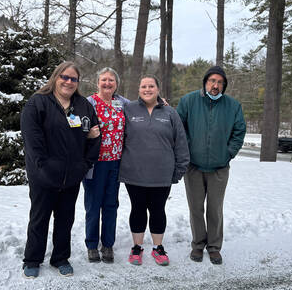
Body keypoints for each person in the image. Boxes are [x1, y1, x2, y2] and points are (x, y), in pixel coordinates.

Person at [20, 61, 101, 278]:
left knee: (66, 219)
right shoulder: (38, 103)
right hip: (43, 176)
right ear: (56, 77)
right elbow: (32, 140)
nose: (68, 82)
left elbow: (95, 137)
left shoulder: (84, 106)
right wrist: (42, 168)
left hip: (72, 176)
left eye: (73, 79)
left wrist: (84, 165)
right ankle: (32, 259)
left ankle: (61, 258)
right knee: (39, 218)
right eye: (64, 77)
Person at [176, 66, 246, 265]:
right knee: (196, 208)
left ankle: (214, 247)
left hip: (219, 168)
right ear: (205, 82)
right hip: (194, 167)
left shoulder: (233, 106)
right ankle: (198, 245)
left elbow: (239, 132)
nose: (215, 85)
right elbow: (179, 129)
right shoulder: (188, 101)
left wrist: (228, 153)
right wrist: (187, 152)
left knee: (215, 209)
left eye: (219, 82)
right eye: (212, 81)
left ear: (223, 86)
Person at [119, 76, 189, 266]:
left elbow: (181, 143)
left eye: (151, 86)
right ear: (139, 89)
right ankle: (136, 247)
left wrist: (179, 170)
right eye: (143, 86)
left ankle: (158, 248)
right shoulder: (129, 109)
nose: (147, 89)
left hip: (162, 175)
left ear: (158, 89)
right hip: (134, 173)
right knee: (138, 209)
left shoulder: (170, 113)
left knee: (158, 210)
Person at [83, 67, 129, 263]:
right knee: (93, 205)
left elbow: (142, 105)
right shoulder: (88, 103)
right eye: (104, 80)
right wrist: (87, 135)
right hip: (95, 164)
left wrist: (160, 102)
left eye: (111, 80)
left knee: (111, 205)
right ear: (97, 82)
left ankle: (108, 244)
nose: (107, 83)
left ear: (116, 84)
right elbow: (75, 126)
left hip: (115, 163)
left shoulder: (122, 103)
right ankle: (92, 245)